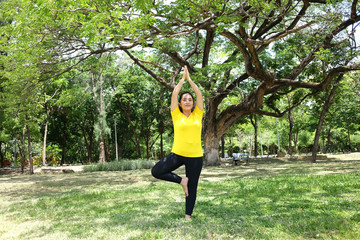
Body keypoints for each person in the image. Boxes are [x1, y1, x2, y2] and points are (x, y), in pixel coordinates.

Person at [151, 65, 203, 220]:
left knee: (192, 187)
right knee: (157, 171)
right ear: (180, 103)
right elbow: (174, 94)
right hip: (177, 154)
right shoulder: (176, 115)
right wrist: (182, 80)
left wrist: (190, 80)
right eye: (184, 99)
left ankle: (188, 216)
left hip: (195, 156)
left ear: (193, 103)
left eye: (190, 99)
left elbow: (199, 94)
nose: (187, 101)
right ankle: (182, 180)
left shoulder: (198, 114)